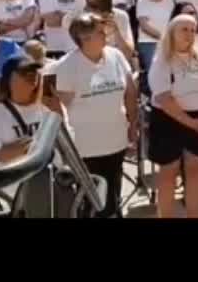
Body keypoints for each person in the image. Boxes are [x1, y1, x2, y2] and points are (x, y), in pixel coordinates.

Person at [54, 13, 140, 218]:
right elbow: (60, 108)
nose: (106, 35)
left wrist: (133, 123)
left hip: (116, 140)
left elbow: (130, 92)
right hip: (86, 147)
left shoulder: (116, 56)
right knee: (91, 203)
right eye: (100, 32)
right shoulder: (67, 66)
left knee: (113, 196)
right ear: (84, 39)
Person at [147, 14, 198, 217]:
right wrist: (191, 123)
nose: (189, 34)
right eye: (184, 29)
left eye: (192, 29)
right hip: (168, 120)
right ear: (172, 32)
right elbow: (163, 97)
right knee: (169, 172)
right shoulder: (162, 58)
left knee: (195, 169)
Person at [0, 54, 66, 167]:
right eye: (24, 72)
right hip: (16, 182)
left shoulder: (51, 107)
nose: (31, 75)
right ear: (8, 79)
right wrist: (44, 145)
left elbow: (66, 146)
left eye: (34, 70)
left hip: (51, 179)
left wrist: (59, 116)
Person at [135, 0, 173, 72]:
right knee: (153, 71)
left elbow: (172, 19)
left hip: (168, 41)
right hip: (149, 42)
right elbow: (144, 25)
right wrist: (162, 37)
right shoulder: (142, 1)